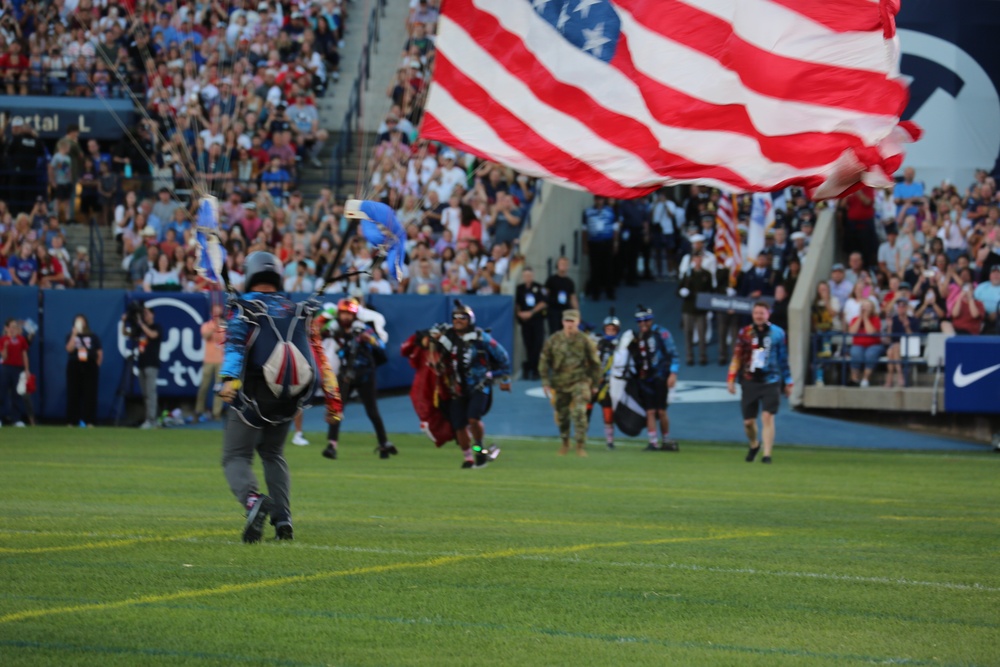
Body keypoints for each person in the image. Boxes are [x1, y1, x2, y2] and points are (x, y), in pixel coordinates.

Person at [217, 251, 342, 543]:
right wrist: (333, 400)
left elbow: (235, 343)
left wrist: (229, 381)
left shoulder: (244, 306)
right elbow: (319, 357)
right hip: (289, 400)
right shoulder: (298, 309)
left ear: (250, 273)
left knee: (235, 456)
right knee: (273, 453)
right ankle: (283, 519)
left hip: (253, 398)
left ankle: (253, 501)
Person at [430, 302, 511, 468]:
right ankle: (469, 456)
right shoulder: (447, 336)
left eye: (462, 317)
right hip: (456, 388)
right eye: (455, 317)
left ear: (470, 319)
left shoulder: (480, 337)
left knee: (473, 419)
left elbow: (502, 355)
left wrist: (505, 379)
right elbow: (428, 342)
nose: (458, 320)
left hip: (479, 385)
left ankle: (479, 447)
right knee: (459, 425)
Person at [321, 298, 393, 460]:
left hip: (365, 373)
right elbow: (316, 331)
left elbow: (381, 345)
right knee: (336, 409)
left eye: (349, 314)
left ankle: (384, 443)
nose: (345, 317)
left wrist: (371, 340)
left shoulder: (363, 329)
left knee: (372, 411)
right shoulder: (334, 328)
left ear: (354, 315)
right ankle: (332, 445)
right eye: (343, 313)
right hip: (346, 373)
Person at [726, 301, 792, 464]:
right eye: (756, 313)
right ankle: (754, 444)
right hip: (750, 380)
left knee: (767, 416)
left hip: (771, 380)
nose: (759, 316)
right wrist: (731, 378)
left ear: (768, 314)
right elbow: (737, 356)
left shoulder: (778, 333)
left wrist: (788, 380)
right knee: (748, 422)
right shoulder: (745, 332)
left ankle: (767, 455)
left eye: (762, 313)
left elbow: (783, 359)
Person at [538, 309, 602, 456]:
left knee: (579, 412)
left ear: (578, 322)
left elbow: (595, 363)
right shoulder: (554, 340)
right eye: (567, 321)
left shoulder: (585, 340)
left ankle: (580, 445)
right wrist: (545, 381)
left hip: (580, 381)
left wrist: (595, 384)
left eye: (572, 321)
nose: (569, 324)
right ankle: (565, 442)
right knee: (562, 415)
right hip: (560, 382)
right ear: (562, 322)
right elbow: (544, 360)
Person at [628, 306, 680, 451]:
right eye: (639, 321)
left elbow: (674, 354)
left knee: (661, 411)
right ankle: (653, 442)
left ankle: (666, 439)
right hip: (645, 379)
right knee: (650, 411)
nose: (643, 323)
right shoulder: (637, 338)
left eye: (646, 320)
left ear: (651, 320)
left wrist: (673, 373)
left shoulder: (662, 333)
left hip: (660, 376)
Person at [124, 305, 163, 429]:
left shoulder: (156, 327)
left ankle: (152, 420)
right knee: (145, 394)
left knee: (151, 393)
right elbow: (126, 333)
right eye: (143, 313)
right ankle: (150, 419)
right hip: (141, 363)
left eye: (146, 313)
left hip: (152, 364)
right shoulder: (140, 329)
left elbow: (152, 335)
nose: (145, 315)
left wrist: (141, 323)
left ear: (152, 314)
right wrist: (124, 322)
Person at [65, 314, 102, 427]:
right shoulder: (71, 335)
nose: (80, 323)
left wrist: (95, 366)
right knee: (73, 394)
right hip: (75, 365)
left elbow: (99, 353)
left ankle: (89, 421)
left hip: (89, 366)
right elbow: (69, 349)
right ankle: (72, 421)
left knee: (90, 395)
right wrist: (74, 334)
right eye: (77, 321)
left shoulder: (93, 336)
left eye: (81, 321)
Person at [592, 314, 622, 449]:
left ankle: (609, 440)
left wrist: (608, 376)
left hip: (610, 384)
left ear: (617, 330)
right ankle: (581, 437)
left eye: (613, 329)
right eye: (608, 329)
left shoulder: (621, 346)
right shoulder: (598, 344)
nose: (610, 332)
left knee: (608, 413)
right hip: (595, 382)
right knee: (586, 408)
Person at [678, 253, 713, 365]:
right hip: (688, 308)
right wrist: (682, 292)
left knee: (702, 334)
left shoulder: (706, 274)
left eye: (699, 258)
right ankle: (689, 356)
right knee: (688, 333)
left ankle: (703, 356)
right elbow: (679, 289)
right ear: (693, 260)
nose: (698, 260)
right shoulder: (688, 274)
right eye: (696, 258)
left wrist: (709, 308)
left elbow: (710, 291)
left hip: (701, 309)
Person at [582, 195, 618, 301]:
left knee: (608, 268)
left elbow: (615, 228)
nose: (599, 201)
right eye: (597, 199)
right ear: (594, 200)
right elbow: (584, 230)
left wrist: (615, 243)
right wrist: (585, 245)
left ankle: (610, 292)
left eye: (601, 199)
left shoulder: (610, 211)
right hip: (594, 243)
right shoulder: (587, 212)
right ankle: (595, 293)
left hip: (607, 243)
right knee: (594, 269)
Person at [515, 267, 547, 380]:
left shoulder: (539, 287)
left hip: (537, 320)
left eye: (529, 275)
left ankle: (533, 367)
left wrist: (531, 312)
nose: (527, 278)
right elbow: (517, 303)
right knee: (528, 345)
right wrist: (519, 314)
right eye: (525, 275)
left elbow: (543, 302)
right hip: (525, 322)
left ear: (532, 276)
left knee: (538, 344)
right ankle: (529, 367)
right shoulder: (520, 289)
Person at [196, 304, 226, 422]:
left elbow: (226, 340)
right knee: (204, 386)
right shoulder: (206, 326)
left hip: (221, 361)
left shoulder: (226, 326)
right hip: (208, 360)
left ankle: (216, 413)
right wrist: (214, 327)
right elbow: (205, 336)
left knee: (219, 388)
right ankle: (199, 410)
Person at [0, 319, 31, 427]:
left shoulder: (21, 339)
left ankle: (16, 419)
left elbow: (24, 354)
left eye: (15, 326)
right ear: (6, 328)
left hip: (17, 369)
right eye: (11, 327)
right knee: (2, 393)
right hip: (5, 368)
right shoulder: (3, 339)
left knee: (17, 394)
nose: (13, 329)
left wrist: (27, 369)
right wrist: (6, 346)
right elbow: (3, 357)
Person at [543, 256, 579, 336]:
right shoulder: (551, 280)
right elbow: (545, 294)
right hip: (553, 310)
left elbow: (572, 298)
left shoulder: (569, 282)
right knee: (555, 333)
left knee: (566, 333)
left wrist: (577, 312)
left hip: (565, 311)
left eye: (565, 264)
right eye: (561, 264)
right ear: (557, 265)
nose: (563, 266)